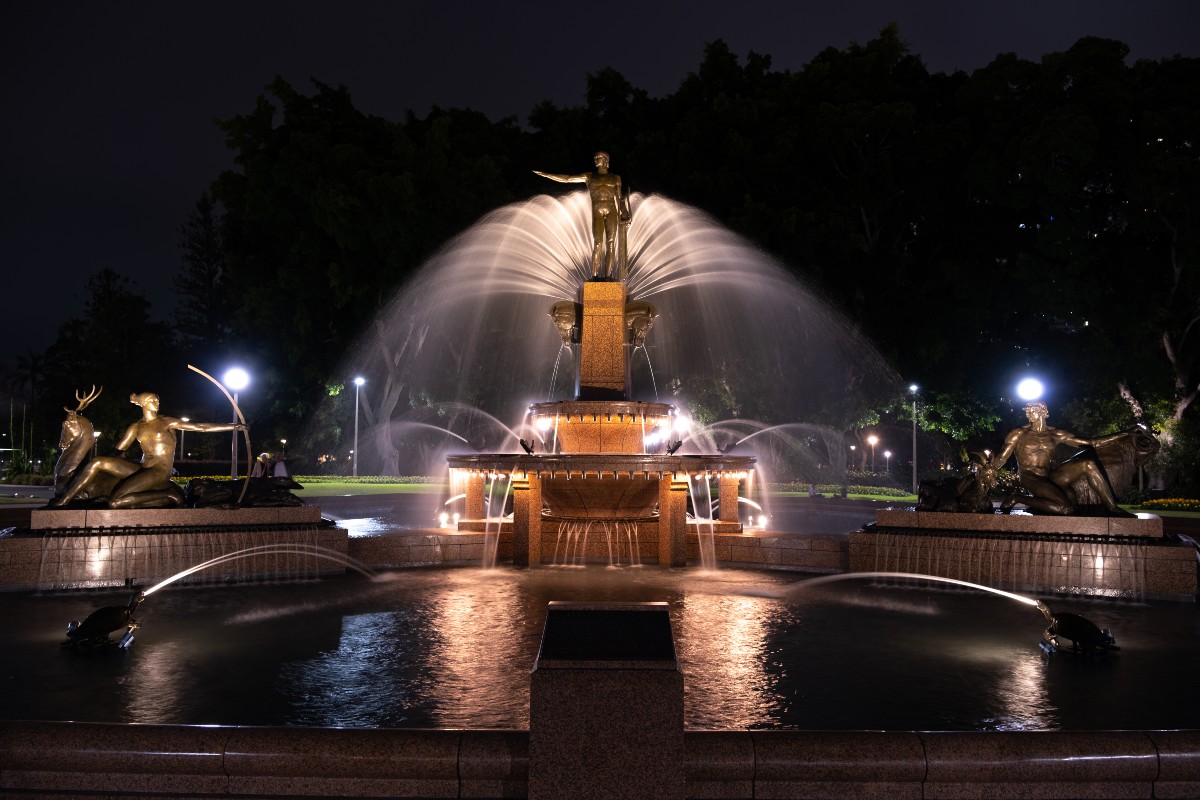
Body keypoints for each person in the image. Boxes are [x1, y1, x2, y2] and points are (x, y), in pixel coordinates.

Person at [49, 392, 246, 509]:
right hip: (143, 468)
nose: (156, 402)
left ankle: (167, 494)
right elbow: (118, 451)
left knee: (115, 503)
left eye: (157, 400)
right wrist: (94, 470)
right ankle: (66, 498)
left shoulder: (167, 422)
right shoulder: (136, 427)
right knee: (98, 461)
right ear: (143, 404)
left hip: (159, 472)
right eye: (152, 400)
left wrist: (232, 426)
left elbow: (200, 427)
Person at [991, 401, 1129, 516]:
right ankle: (1017, 497)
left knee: (1088, 464)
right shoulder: (1019, 433)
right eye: (1026, 411)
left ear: (1041, 411)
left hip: (1049, 476)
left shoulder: (1056, 434)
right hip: (1029, 477)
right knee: (1065, 508)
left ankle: (1112, 507)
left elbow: (1092, 443)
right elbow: (1002, 458)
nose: (1027, 414)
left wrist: (1125, 433)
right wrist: (988, 470)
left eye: (1030, 411)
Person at [533, 151, 631, 279]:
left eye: (598, 158)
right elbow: (568, 179)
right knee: (597, 243)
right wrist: (547, 175)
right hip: (597, 209)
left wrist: (624, 211)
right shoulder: (589, 176)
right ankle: (594, 276)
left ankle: (608, 276)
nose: (595, 160)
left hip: (611, 209)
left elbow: (619, 197)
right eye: (595, 158)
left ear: (606, 160)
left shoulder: (615, 178)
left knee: (611, 242)